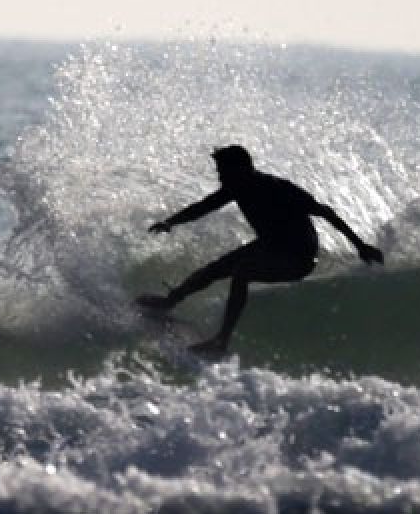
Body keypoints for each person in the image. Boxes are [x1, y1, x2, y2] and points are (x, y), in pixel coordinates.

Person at [137, 144, 384, 356]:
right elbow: (204, 206)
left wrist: (360, 245)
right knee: (213, 270)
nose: (221, 178)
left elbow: (325, 212)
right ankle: (169, 302)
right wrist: (171, 222)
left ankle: (221, 340)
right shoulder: (236, 188)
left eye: (224, 172)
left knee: (242, 272)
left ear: (241, 169)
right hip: (270, 247)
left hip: (299, 257)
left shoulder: (279, 188)